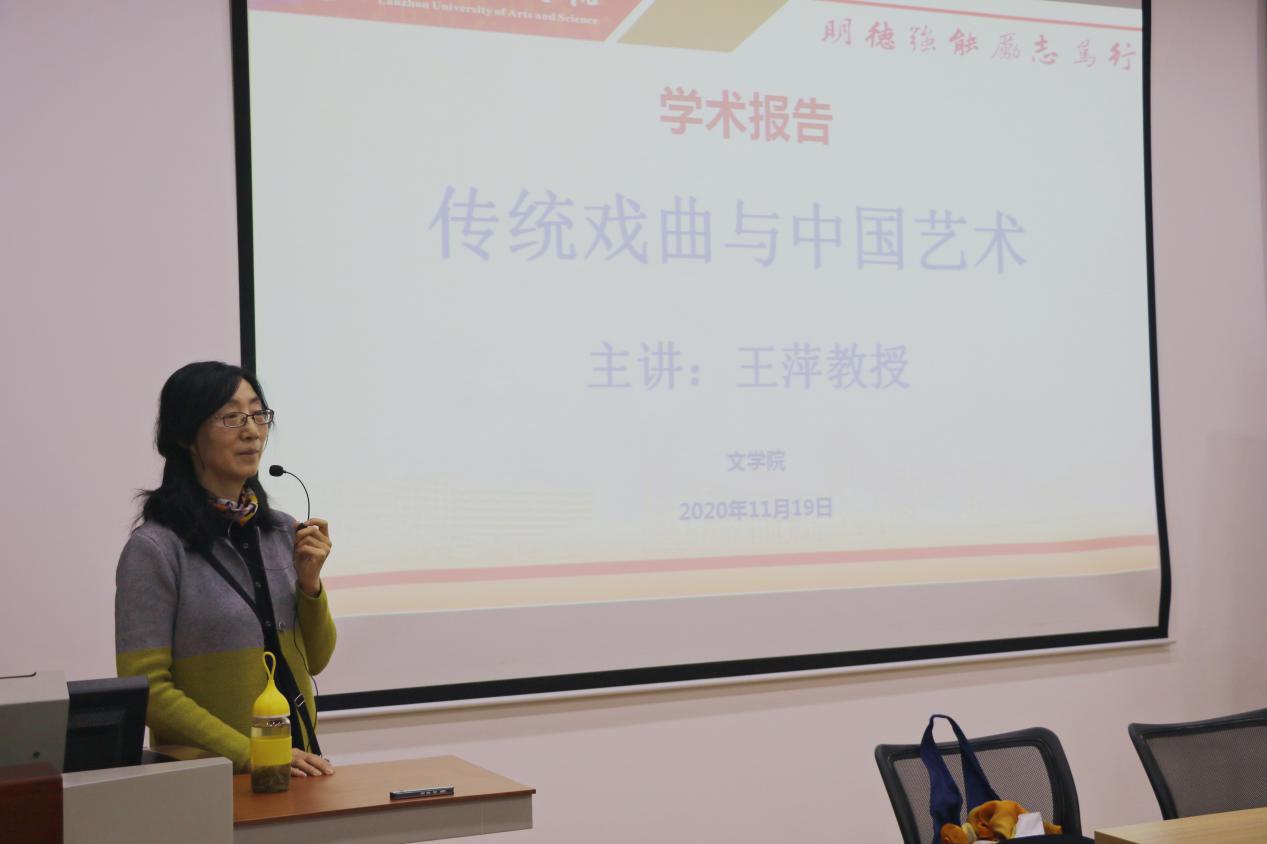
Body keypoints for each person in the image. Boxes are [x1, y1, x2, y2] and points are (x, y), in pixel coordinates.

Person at [115, 361, 336, 777]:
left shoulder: (282, 532)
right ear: (185, 436)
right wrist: (249, 752)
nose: (252, 431)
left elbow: (317, 659)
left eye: (258, 414)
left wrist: (310, 586)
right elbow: (149, 690)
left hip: (297, 769)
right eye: (232, 417)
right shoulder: (156, 549)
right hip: (207, 782)